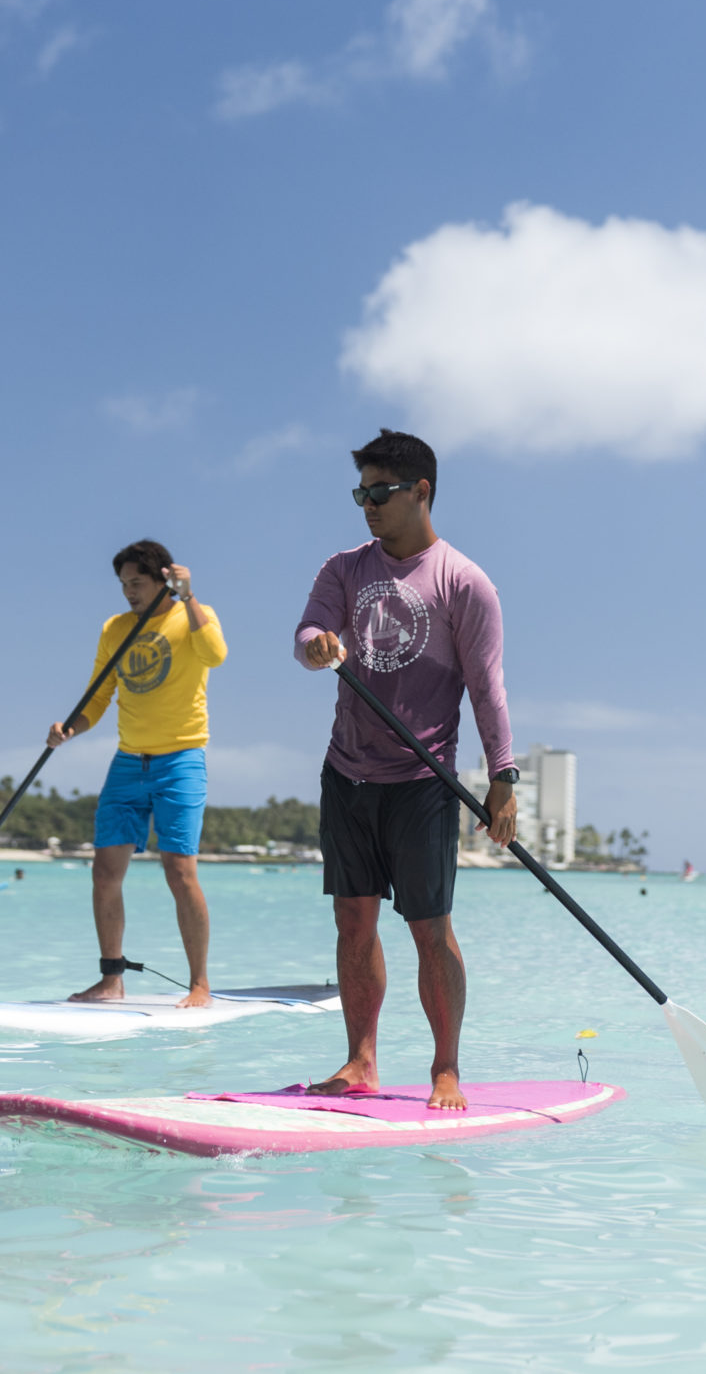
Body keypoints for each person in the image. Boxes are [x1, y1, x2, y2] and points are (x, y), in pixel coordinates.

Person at [294, 428, 514, 1111]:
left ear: (421, 491)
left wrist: (501, 776)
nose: (367, 504)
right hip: (347, 771)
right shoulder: (343, 569)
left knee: (430, 927)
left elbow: (487, 685)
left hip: (422, 781)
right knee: (353, 922)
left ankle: (445, 1068)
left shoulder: (464, 582)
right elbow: (306, 635)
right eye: (360, 492)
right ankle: (362, 1060)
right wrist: (317, 646)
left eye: (380, 491)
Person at [54, 539, 228, 1008]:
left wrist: (189, 597)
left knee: (180, 871)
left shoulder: (193, 614)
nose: (129, 592)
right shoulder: (115, 629)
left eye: (138, 582)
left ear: (163, 580)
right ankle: (112, 979)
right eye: (124, 584)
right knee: (105, 871)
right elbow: (97, 695)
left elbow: (215, 654)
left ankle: (200, 986)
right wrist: (71, 728)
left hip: (181, 759)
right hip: (129, 761)